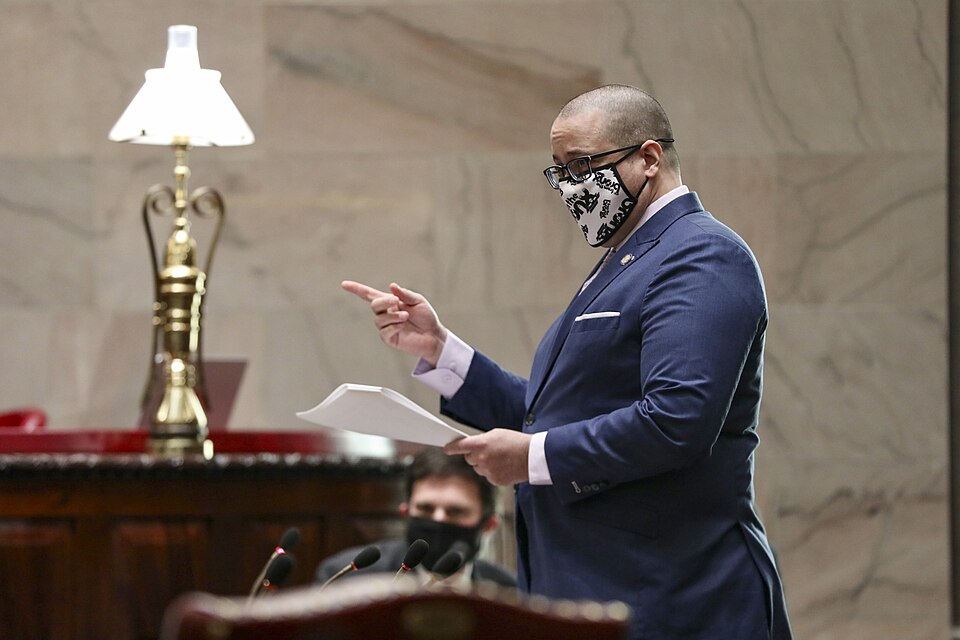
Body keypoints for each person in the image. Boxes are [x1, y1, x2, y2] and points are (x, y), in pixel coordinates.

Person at [342, 84, 791, 639]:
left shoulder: (702, 253)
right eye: (558, 170)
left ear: (648, 158)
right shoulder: (624, 259)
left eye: (581, 164)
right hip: (599, 588)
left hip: (675, 596)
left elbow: (679, 418)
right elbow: (554, 413)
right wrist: (440, 350)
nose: (569, 186)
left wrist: (532, 457)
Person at [314, 447, 516, 588]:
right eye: (426, 509)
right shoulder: (347, 578)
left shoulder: (509, 593)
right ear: (405, 514)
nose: (438, 519)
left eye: (455, 512)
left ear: (489, 524)